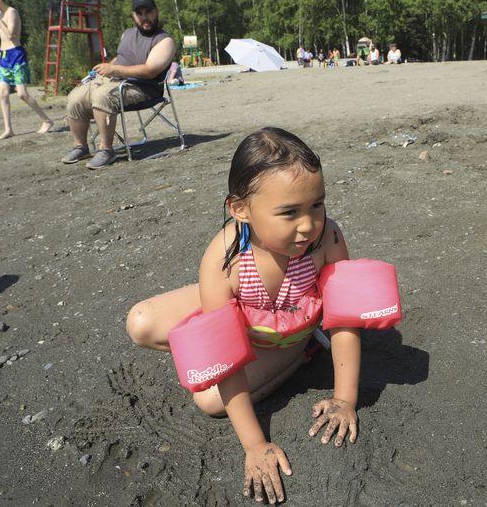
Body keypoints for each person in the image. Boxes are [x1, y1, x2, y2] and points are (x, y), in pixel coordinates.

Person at [126, 128, 358, 503]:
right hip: (248, 315)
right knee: (141, 322)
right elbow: (223, 351)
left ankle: (303, 352)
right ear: (240, 209)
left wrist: (345, 398)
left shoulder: (326, 240)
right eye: (289, 212)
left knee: (211, 402)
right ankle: (244, 345)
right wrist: (254, 444)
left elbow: (345, 320)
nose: (308, 224)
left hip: (291, 327)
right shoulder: (225, 258)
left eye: (317, 204)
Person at [61, 0, 176, 170]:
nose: (145, 17)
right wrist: (106, 67)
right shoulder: (127, 34)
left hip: (142, 88)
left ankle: (106, 150)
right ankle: (81, 146)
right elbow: (122, 58)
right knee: (75, 96)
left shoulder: (165, 40)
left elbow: (150, 71)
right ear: (133, 16)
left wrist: (114, 70)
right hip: (113, 80)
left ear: (156, 12)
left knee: (102, 96)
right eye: (140, 13)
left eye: (149, 12)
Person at [0, 0, 54, 139]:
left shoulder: (11, 12)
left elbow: (10, 35)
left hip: (17, 55)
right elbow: (3, 40)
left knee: (22, 94)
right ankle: (8, 129)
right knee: (2, 93)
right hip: (5, 56)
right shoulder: (0, 14)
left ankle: (46, 120)